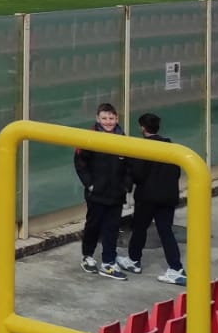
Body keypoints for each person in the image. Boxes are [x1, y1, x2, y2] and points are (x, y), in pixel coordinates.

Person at [123, 111, 186, 285]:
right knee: (166, 232)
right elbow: (177, 171)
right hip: (168, 197)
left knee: (140, 229)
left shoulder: (143, 148)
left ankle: (134, 260)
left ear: (142, 128)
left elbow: (137, 174)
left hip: (147, 197)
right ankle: (176, 268)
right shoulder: (171, 147)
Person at [74, 102, 130, 279]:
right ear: (98, 118)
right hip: (96, 193)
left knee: (112, 228)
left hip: (116, 194)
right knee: (93, 225)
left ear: (117, 119)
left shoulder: (123, 138)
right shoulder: (89, 137)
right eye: (104, 118)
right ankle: (87, 256)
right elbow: (80, 163)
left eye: (111, 118)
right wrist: (90, 185)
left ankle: (108, 262)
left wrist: (126, 186)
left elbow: (130, 165)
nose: (108, 122)